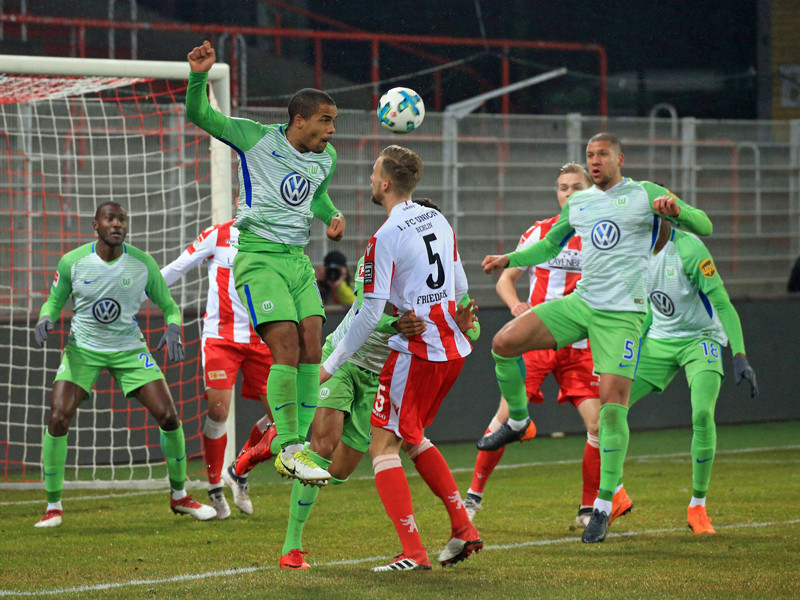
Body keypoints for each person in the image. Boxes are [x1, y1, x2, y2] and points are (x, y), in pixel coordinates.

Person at [481, 133, 714, 544]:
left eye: (602, 155)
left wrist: (676, 212)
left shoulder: (645, 194)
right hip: (581, 304)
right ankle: (518, 419)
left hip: (623, 316)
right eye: (590, 155)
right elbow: (549, 246)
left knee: (612, 407)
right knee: (503, 343)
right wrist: (509, 259)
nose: (595, 161)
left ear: (619, 158)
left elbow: (705, 224)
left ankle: (603, 506)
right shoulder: (580, 204)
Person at [279, 198, 479, 570]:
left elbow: (466, 319)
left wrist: (468, 324)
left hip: (381, 375)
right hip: (344, 360)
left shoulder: (434, 277)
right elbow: (365, 312)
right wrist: (395, 325)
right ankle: (293, 548)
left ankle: (272, 442)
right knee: (321, 447)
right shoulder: (385, 253)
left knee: (337, 473)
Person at [186, 40, 346, 486]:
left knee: (314, 345)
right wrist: (199, 76)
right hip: (258, 258)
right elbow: (202, 116)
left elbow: (314, 196)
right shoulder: (255, 138)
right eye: (325, 121)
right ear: (299, 121)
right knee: (288, 349)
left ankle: (305, 449)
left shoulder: (325, 158)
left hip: (297, 261)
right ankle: (289, 447)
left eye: (333, 122)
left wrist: (329, 215)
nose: (332, 131)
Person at [467, 163, 633, 531]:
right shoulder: (541, 232)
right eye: (562, 187)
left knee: (597, 424)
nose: (568, 193)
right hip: (542, 338)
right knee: (507, 415)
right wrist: (515, 305)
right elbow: (507, 280)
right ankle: (473, 497)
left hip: (583, 344)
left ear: (591, 192)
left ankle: (590, 507)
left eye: (576, 187)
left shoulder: (603, 236)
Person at [33, 202, 216, 527]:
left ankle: (180, 496)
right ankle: (53, 506)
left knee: (169, 416)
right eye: (110, 219)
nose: (117, 224)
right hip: (83, 350)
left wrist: (173, 326)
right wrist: (46, 317)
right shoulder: (74, 262)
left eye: (122, 220)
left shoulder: (142, 264)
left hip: (130, 350)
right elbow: (54, 300)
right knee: (59, 416)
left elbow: (169, 305)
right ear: (96, 225)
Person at [622, 218, 758, 534]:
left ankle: (698, 506)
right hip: (659, 340)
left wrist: (739, 354)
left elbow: (721, 302)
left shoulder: (690, 248)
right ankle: (613, 496)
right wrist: (632, 348)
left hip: (701, 339)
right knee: (610, 407)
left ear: (665, 217)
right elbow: (644, 307)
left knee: (702, 413)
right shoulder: (633, 252)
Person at [154, 220, 276, 519]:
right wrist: (138, 294)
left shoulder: (276, 234)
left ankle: (239, 470)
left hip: (261, 338)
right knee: (219, 411)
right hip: (221, 339)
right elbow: (177, 267)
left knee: (283, 419)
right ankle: (214, 487)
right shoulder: (217, 234)